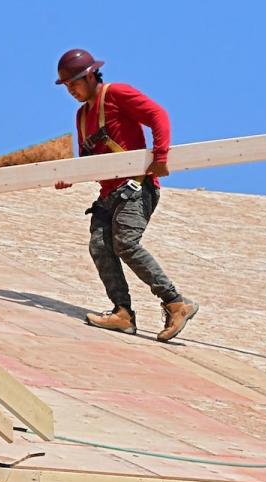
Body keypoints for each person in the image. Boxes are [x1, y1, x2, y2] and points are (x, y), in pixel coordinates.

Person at [54, 48, 198, 342]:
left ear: (91, 75)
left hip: (136, 187)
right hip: (109, 194)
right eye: (67, 86)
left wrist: (160, 155)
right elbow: (89, 161)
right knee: (100, 245)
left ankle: (176, 302)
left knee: (126, 243)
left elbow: (158, 115)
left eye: (75, 83)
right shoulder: (82, 116)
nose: (71, 90)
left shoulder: (116, 94)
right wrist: (70, 177)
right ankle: (123, 314)